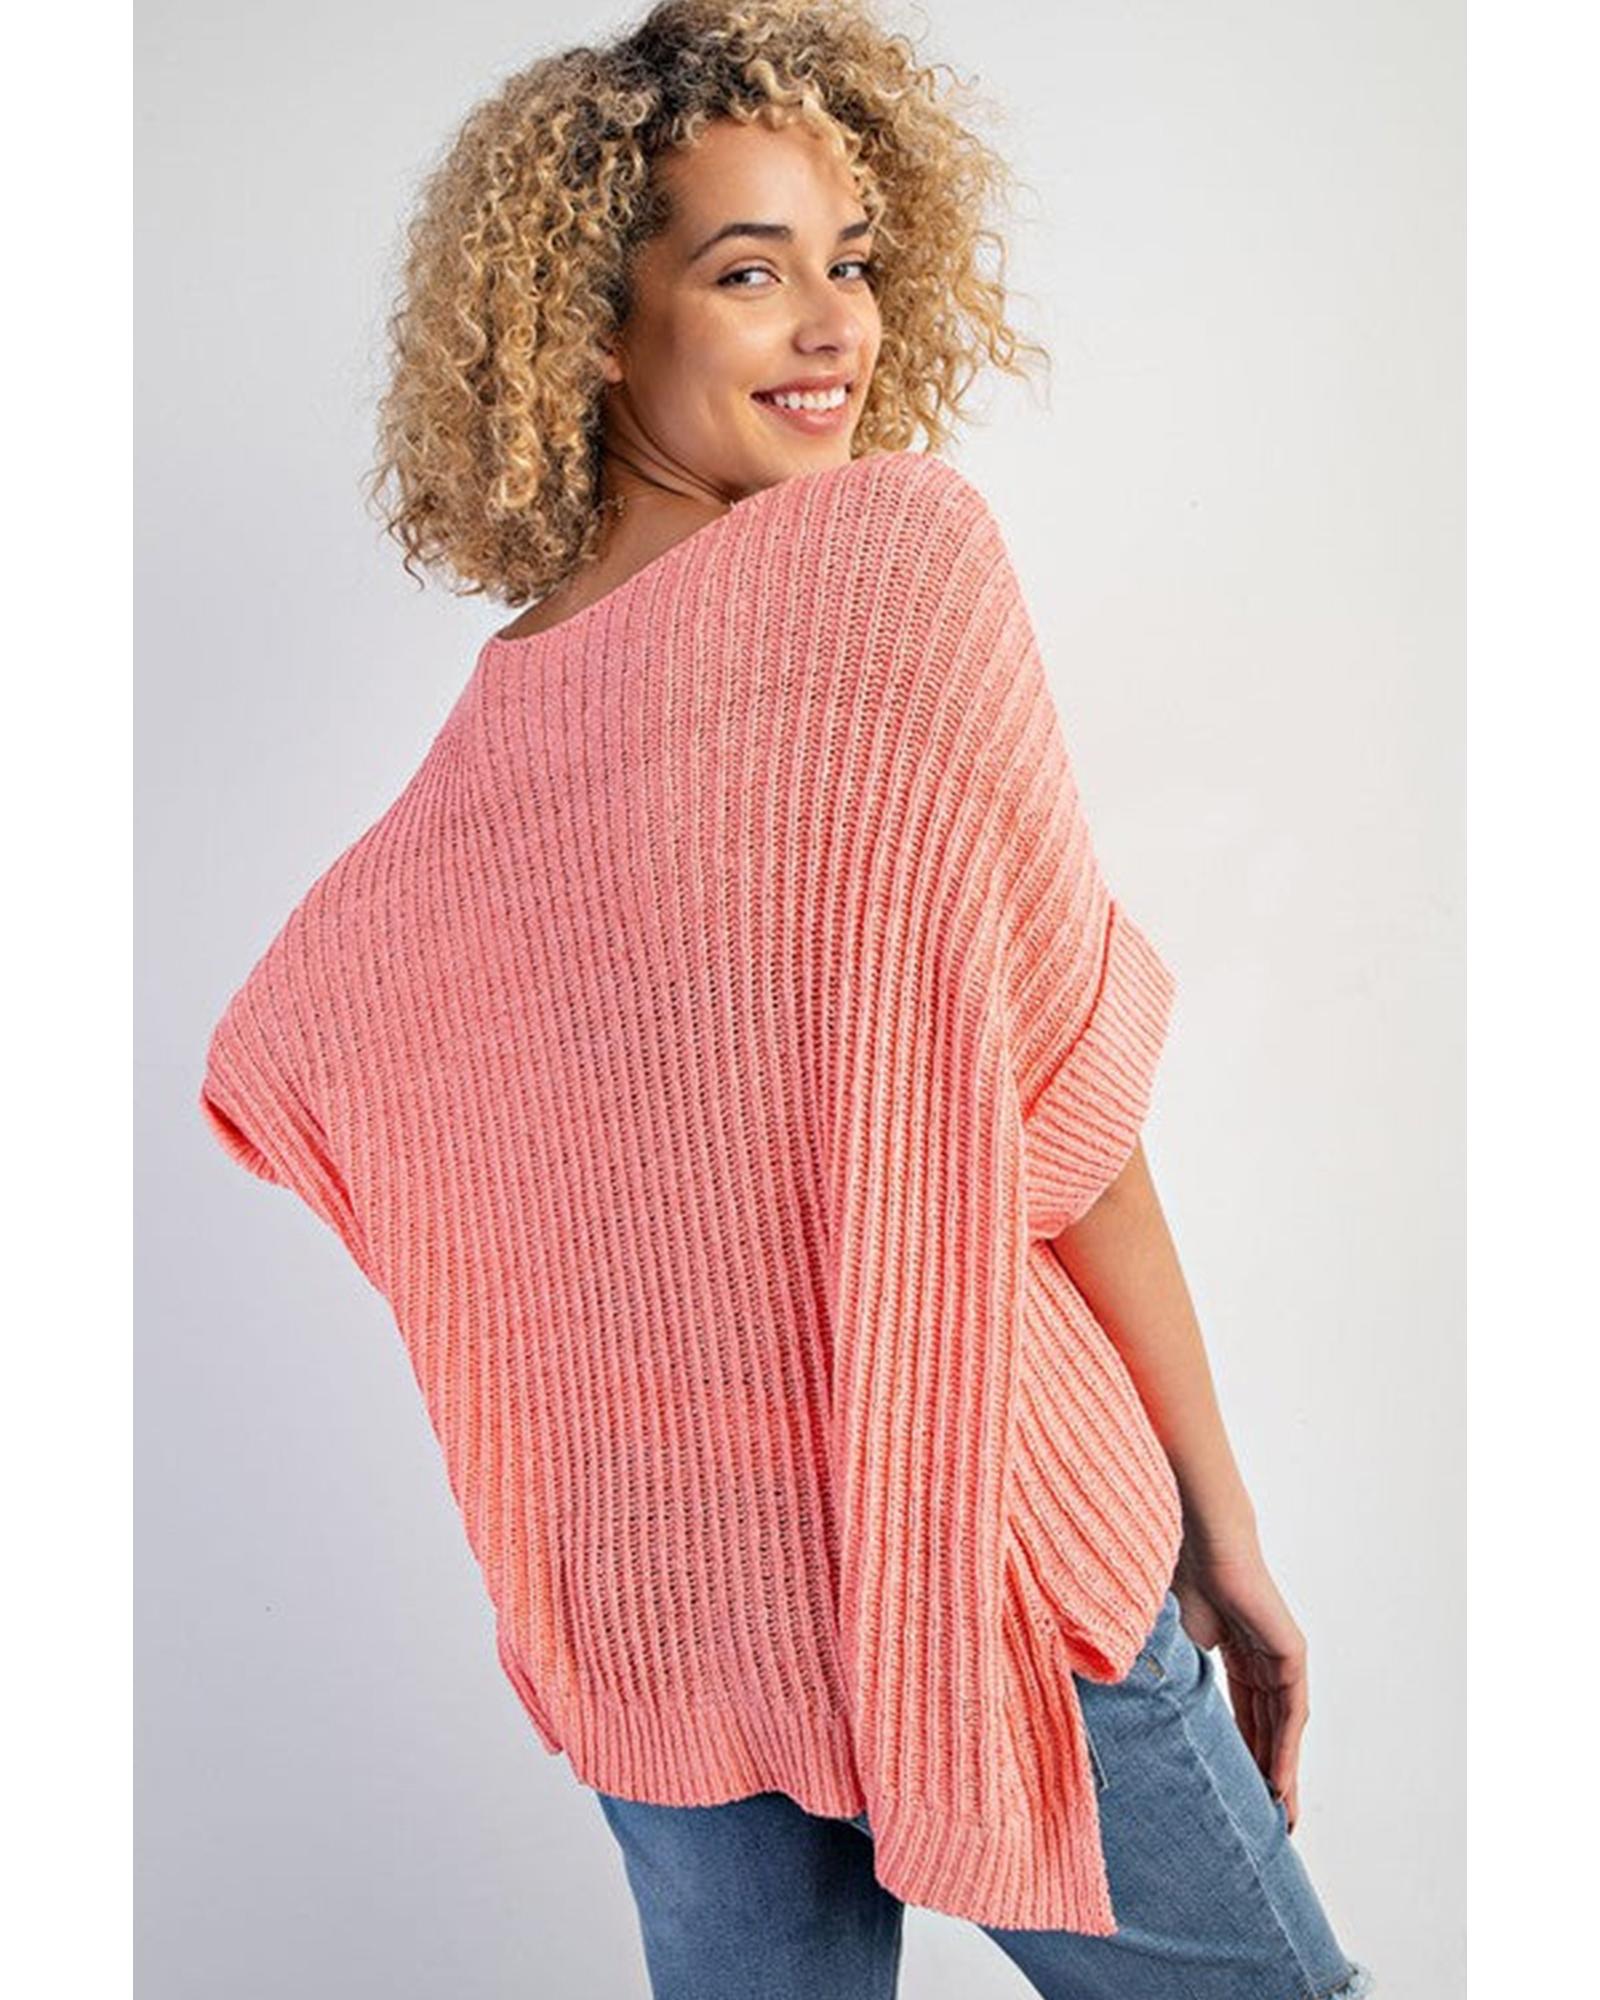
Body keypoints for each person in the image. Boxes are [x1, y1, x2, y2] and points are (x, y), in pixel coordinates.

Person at [200, 2, 1374, 1995]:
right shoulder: (889, 559)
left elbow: (284, 1060)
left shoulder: (443, 819)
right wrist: (1219, 1525)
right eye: (748, 272)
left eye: (853, 262)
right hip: (976, 1542)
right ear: (591, 320)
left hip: (648, 1610)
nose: (834, 328)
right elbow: (1063, 1123)